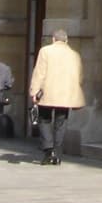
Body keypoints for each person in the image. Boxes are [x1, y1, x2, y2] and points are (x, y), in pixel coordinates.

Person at [28, 28, 85, 164]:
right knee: (61, 122)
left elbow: (39, 72)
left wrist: (34, 91)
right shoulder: (74, 54)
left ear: (53, 39)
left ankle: (48, 150)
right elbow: (80, 77)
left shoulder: (45, 51)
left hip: (47, 92)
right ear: (66, 40)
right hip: (66, 94)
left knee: (44, 119)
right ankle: (57, 153)